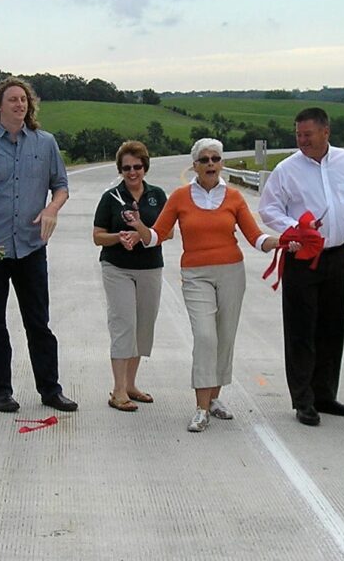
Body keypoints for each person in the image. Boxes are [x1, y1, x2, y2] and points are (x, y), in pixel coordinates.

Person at [124, 138, 292, 432]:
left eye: (215, 158)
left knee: (224, 336)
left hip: (231, 272)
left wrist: (283, 241)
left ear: (221, 163)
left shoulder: (235, 198)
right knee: (205, 337)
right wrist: (139, 228)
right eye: (205, 160)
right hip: (196, 275)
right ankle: (201, 408)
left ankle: (214, 398)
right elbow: (156, 236)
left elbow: (255, 237)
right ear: (195, 166)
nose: (211, 164)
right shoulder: (179, 197)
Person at [0, 76, 77, 414]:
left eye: (24, 100)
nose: (19, 105)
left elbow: (62, 186)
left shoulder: (45, 144)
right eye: (12, 99)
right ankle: (0, 392)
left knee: (38, 322)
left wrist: (52, 208)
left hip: (31, 247)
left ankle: (50, 389)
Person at [258, 107, 344, 426]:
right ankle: (303, 399)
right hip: (302, 257)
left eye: (307, 134)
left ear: (326, 132)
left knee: (332, 326)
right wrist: (296, 226)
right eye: (298, 134)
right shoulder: (287, 169)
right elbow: (268, 209)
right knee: (301, 330)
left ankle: (325, 394)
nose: (302, 140)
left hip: (337, 254)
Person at [93, 141, 168, 412]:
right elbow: (97, 236)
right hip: (118, 267)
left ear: (145, 166)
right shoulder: (110, 197)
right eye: (126, 168)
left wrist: (142, 233)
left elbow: (167, 231)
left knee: (143, 326)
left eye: (137, 166)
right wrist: (119, 237)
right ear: (120, 170)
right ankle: (118, 389)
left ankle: (131, 384)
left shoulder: (157, 196)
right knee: (123, 323)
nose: (132, 172)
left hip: (150, 267)